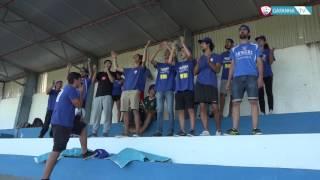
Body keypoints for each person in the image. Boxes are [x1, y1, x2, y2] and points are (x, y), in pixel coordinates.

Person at [41, 72, 95, 180]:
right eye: (80, 80)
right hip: (62, 123)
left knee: (82, 127)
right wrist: (81, 92)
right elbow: (78, 105)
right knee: (57, 150)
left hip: (66, 120)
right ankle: (45, 178)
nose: (81, 82)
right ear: (75, 80)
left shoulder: (67, 89)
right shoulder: (70, 89)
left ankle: (85, 152)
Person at [226, 25, 264, 135]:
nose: (242, 31)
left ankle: (255, 129)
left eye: (244, 30)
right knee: (235, 103)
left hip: (251, 77)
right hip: (237, 78)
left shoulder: (255, 47)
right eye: (240, 30)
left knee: (253, 102)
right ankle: (234, 130)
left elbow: (260, 62)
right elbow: (232, 65)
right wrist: (229, 81)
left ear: (248, 33)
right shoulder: (233, 49)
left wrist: (260, 77)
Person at [113, 41, 151, 137]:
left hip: (135, 91)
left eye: (137, 56)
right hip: (125, 92)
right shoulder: (128, 70)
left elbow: (144, 60)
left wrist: (146, 47)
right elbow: (116, 68)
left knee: (135, 110)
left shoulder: (141, 68)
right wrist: (114, 58)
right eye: (134, 56)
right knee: (125, 111)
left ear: (140, 59)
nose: (134, 57)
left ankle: (138, 131)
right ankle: (126, 132)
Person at [168, 36, 196, 136]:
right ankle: (182, 130)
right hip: (179, 90)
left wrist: (183, 43)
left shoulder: (190, 62)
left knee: (190, 110)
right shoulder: (178, 65)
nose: (182, 52)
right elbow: (169, 62)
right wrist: (173, 49)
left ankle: (192, 129)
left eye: (183, 51)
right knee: (180, 111)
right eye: (181, 51)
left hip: (189, 89)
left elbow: (190, 56)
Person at [194, 37, 222, 136]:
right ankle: (206, 130)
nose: (201, 45)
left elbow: (217, 70)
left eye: (203, 43)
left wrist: (209, 61)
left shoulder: (216, 56)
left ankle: (218, 130)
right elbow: (194, 72)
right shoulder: (200, 58)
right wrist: (198, 63)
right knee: (202, 107)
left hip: (211, 84)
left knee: (215, 108)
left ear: (208, 44)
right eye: (201, 43)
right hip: (200, 84)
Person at [150, 41, 175, 137]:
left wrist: (169, 47)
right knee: (159, 110)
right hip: (159, 90)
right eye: (165, 55)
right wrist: (158, 50)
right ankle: (159, 131)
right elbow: (151, 60)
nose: (166, 56)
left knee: (169, 110)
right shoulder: (160, 65)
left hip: (169, 90)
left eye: (168, 55)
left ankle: (170, 130)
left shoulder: (172, 66)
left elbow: (172, 58)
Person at [89, 59, 114, 137]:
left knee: (107, 114)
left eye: (109, 63)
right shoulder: (100, 74)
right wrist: (95, 71)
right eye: (106, 63)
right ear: (104, 64)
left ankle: (105, 131)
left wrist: (107, 71)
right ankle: (94, 132)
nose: (108, 64)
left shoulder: (112, 73)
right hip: (98, 96)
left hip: (108, 95)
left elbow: (112, 80)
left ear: (111, 65)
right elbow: (92, 81)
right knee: (96, 114)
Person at [255, 35, 275, 115]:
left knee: (269, 92)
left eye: (261, 40)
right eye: (258, 40)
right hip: (259, 76)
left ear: (264, 41)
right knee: (260, 94)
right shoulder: (255, 52)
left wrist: (271, 52)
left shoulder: (268, 50)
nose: (259, 41)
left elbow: (270, 62)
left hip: (268, 74)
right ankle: (262, 111)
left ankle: (271, 110)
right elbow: (253, 64)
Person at [219, 38, 234, 118]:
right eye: (226, 42)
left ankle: (230, 114)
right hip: (224, 78)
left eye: (228, 42)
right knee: (222, 95)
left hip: (234, 78)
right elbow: (218, 66)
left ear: (232, 44)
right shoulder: (222, 54)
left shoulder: (235, 53)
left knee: (233, 96)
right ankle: (220, 113)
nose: (226, 43)